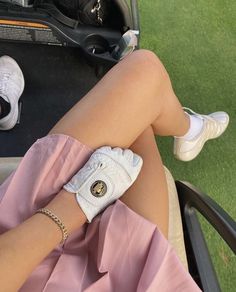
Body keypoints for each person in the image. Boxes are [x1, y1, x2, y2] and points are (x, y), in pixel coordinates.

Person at [0, 52, 229, 292]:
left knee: (139, 105)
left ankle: (189, 130)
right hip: (125, 278)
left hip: (21, 246)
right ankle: (189, 131)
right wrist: (80, 201)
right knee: (144, 75)